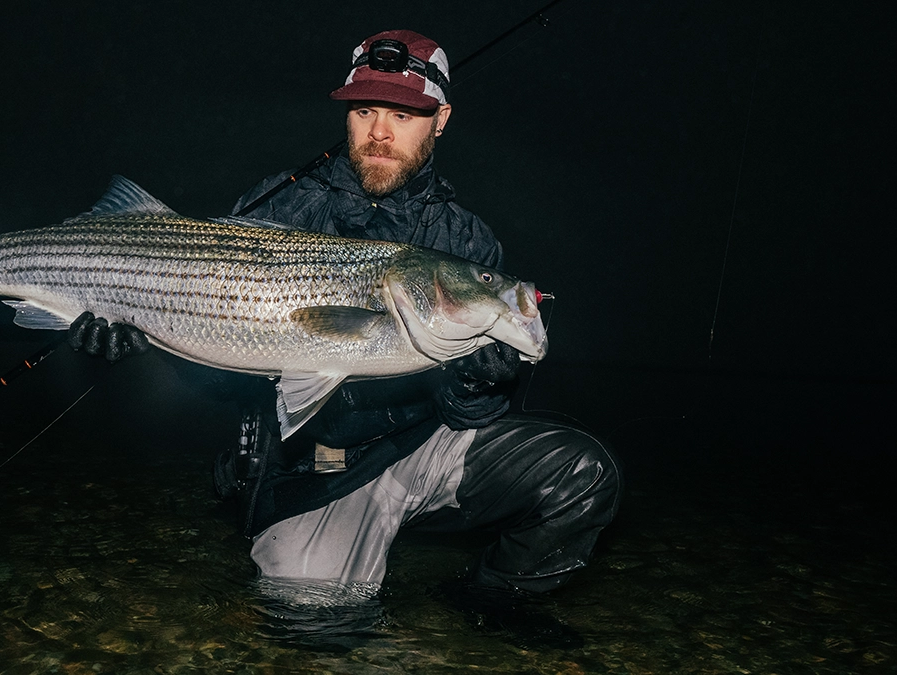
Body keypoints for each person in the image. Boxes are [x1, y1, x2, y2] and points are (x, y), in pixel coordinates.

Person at [70, 30, 621, 648]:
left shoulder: (466, 242)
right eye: (364, 111)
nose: (379, 133)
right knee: (314, 624)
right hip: (319, 468)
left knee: (580, 473)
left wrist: (479, 377)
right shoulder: (280, 207)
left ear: (439, 121)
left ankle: (489, 595)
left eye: (402, 115)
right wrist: (139, 334)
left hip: (422, 447)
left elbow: (469, 414)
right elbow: (217, 371)